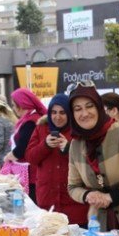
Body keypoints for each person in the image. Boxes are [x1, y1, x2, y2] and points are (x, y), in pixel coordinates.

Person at [67, 84, 119, 236]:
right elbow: (72, 187)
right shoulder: (75, 145)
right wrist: (88, 195)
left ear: (98, 107)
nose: (84, 113)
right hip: (99, 229)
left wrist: (111, 197)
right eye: (77, 109)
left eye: (89, 106)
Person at [26, 93, 88, 226]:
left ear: (69, 113)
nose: (57, 117)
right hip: (48, 202)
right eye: (53, 112)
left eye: (62, 112)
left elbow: (89, 162)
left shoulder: (79, 131)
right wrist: (45, 145)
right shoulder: (41, 128)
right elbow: (31, 158)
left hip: (74, 204)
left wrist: (68, 148)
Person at [4, 88, 47, 200]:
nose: (13, 108)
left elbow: (22, 148)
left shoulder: (31, 121)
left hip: (31, 173)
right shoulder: (29, 118)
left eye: (14, 105)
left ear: (21, 105)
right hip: (30, 170)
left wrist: (8, 157)